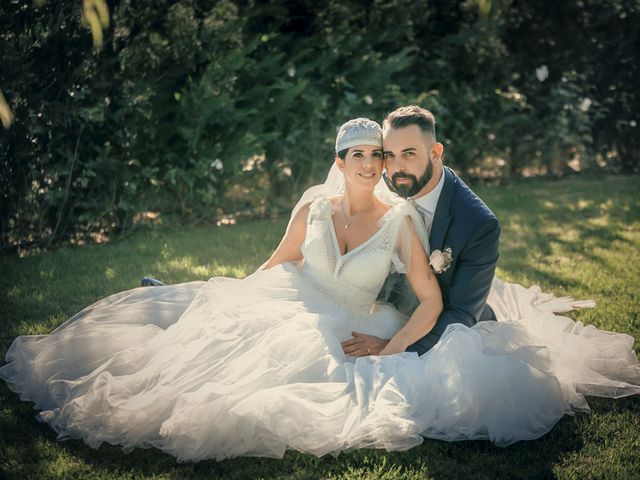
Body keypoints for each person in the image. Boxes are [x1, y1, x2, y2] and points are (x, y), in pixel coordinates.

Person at [1, 118, 639, 463]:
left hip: (352, 314)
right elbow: (278, 259)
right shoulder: (312, 200)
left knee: (273, 386)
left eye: (377, 156)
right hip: (290, 297)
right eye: (359, 155)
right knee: (200, 347)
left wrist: (390, 353)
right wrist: (228, 295)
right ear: (340, 162)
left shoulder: (404, 222)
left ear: (399, 159)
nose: (370, 164)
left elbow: (440, 302)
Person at [341, 106, 499, 357]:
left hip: (440, 333)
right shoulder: (379, 184)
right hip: (380, 312)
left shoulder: (477, 224)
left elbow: (460, 315)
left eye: (409, 154)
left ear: (435, 153)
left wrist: (394, 347)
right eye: (389, 155)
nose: (396, 168)